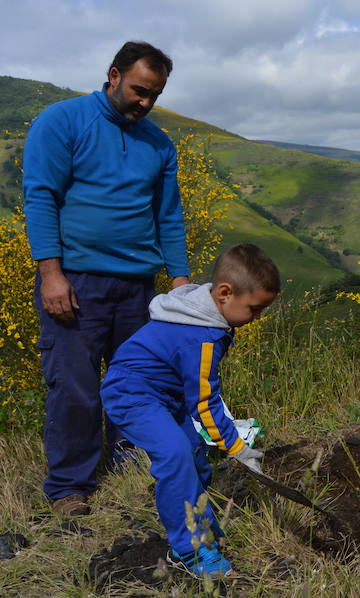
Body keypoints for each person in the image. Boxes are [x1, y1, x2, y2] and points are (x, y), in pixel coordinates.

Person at [23, 41, 189, 517]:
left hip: (138, 288)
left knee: (137, 383)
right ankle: (69, 488)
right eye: (139, 90)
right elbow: (40, 198)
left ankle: (130, 472)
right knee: (74, 386)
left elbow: (169, 217)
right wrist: (51, 275)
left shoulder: (159, 143)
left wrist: (178, 283)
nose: (146, 102)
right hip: (75, 281)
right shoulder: (63, 121)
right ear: (113, 75)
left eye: (154, 95)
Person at [100, 243, 279, 578]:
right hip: (132, 393)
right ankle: (189, 549)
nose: (257, 318)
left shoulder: (205, 313)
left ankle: (201, 526)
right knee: (175, 453)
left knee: (195, 453)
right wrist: (238, 448)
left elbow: (199, 398)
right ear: (225, 293)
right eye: (254, 309)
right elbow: (206, 405)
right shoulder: (201, 336)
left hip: (162, 395)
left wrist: (223, 442)